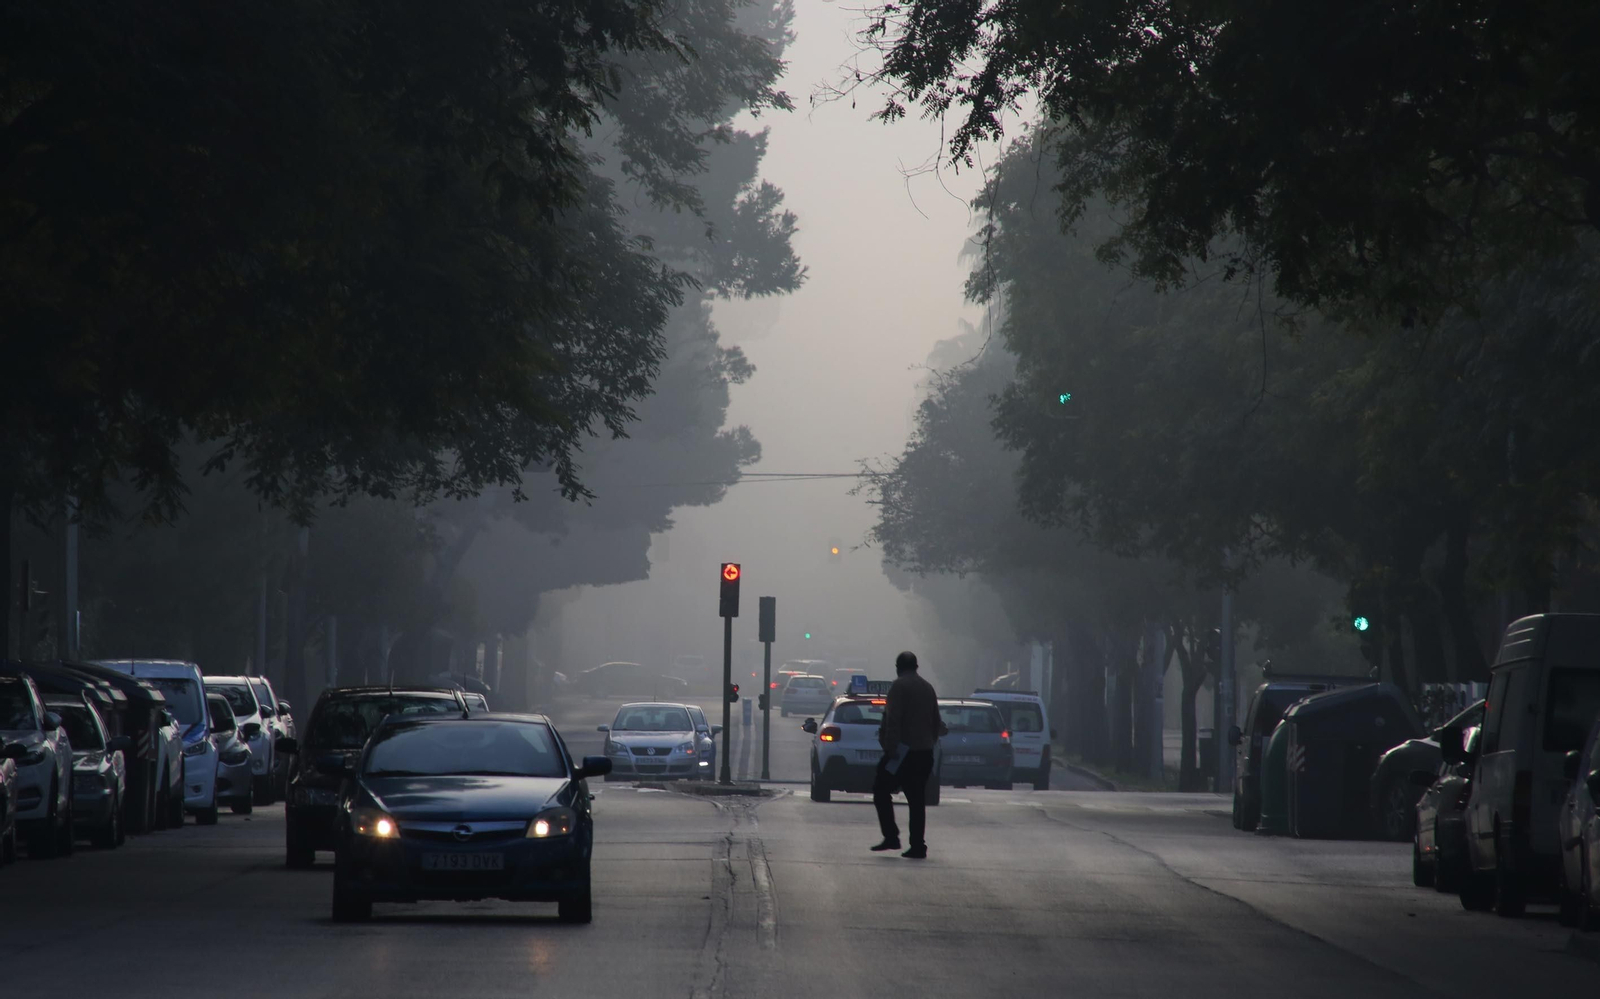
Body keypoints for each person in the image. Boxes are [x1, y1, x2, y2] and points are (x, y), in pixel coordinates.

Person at [871, 651, 947, 859]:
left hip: (902, 752)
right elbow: (936, 720)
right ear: (916, 666)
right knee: (916, 800)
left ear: (898, 667)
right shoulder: (927, 687)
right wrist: (930, 741)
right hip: (924, 752)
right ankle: (918, 845)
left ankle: (891, 836)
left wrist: (890, 748)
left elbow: (893, 719)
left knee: (880, 790)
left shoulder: (899, 686)